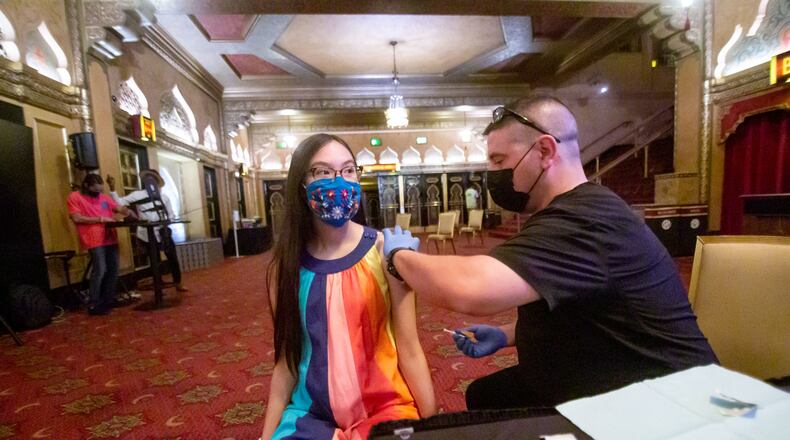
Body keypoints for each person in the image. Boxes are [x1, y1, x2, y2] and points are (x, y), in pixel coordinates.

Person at [383, 96, 718, 410]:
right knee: (485, 396)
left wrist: (398, 256)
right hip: (605, 373)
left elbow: (471, 290)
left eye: (500, 161)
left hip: (664, 401)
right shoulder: (574, 210)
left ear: (544, 151)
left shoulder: (586, 220)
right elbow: (579, 307)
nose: (492, 174)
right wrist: (506, 334)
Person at [261, 134, 436, 440]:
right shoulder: (285, 269)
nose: (338, 181)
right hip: (311, 416)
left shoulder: (385, 252)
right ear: (301, 185)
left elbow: (409, 347)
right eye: (322, 172)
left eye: (348, 170)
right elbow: (287, 362)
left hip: (386, 408)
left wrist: (431, 423)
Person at [107, 170, 188, 292]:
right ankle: (158, 285)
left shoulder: (164, 197)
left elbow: (170, 214)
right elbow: (119, 202)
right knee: (154, 259)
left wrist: (167, 221)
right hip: (147, 233)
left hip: (163, 232)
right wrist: (112, 188)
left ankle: (178, 282)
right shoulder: (137, 195)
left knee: (172, 257)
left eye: (153, 179)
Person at [67, 173, 130, 315]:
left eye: (100, 190)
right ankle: (94, 303)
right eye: (95, 190)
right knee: (100, 270)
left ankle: (108, 299)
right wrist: (100, 219)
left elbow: (118, 208)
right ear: (86, 186)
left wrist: (126, 211)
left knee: (113, 269)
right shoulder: (75, 197)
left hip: (110, 237)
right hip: (94, 239)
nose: (98, 194)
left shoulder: (104, 197)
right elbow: (76, 218)